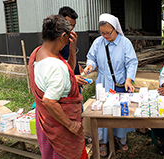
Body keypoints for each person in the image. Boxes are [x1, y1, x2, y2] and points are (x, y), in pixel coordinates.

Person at [28, 15, 87, 159]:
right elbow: (49, 101)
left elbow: (68, 72)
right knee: (64, 154)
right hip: (61, 125)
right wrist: (71, 125)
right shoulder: (56, 66)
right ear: (63, 36)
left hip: (46, 122)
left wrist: (72, 51)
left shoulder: (38, 53)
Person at [84, 13, 138, 157]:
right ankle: (103, 141)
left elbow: (132, 62)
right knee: (103, 111)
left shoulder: (125, 42)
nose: (105, 35)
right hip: (103, 81)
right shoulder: (98, 42)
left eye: (108, 32)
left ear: (116, 29)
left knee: (120, 111)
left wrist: (129, 79)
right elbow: (92, 58)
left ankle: (120, 138)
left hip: (120, 82)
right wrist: (90, 66)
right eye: (102, 33)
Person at [58, 6, 88, 100]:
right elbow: (56, 65)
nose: (71, 28)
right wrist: (72, 78)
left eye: (73, 25)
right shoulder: (56, 41)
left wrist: (76, 64)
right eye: (69, 25)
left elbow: (67, 56)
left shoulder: (70, 36)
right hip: (64, 86)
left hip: (74, 83)